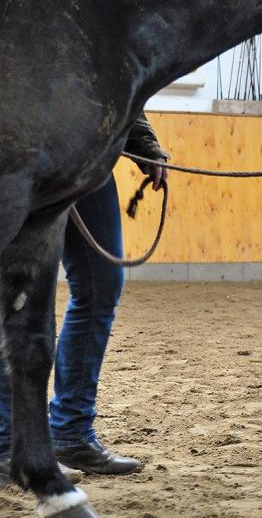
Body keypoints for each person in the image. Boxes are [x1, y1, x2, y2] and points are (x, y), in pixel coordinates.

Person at [0, 115, 168, 482]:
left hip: (87, 158)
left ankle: (71, 432)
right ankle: (8, 442)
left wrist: (144, 144)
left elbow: (112, 62)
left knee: (101, 284)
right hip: (17, 155)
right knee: (23, 294)